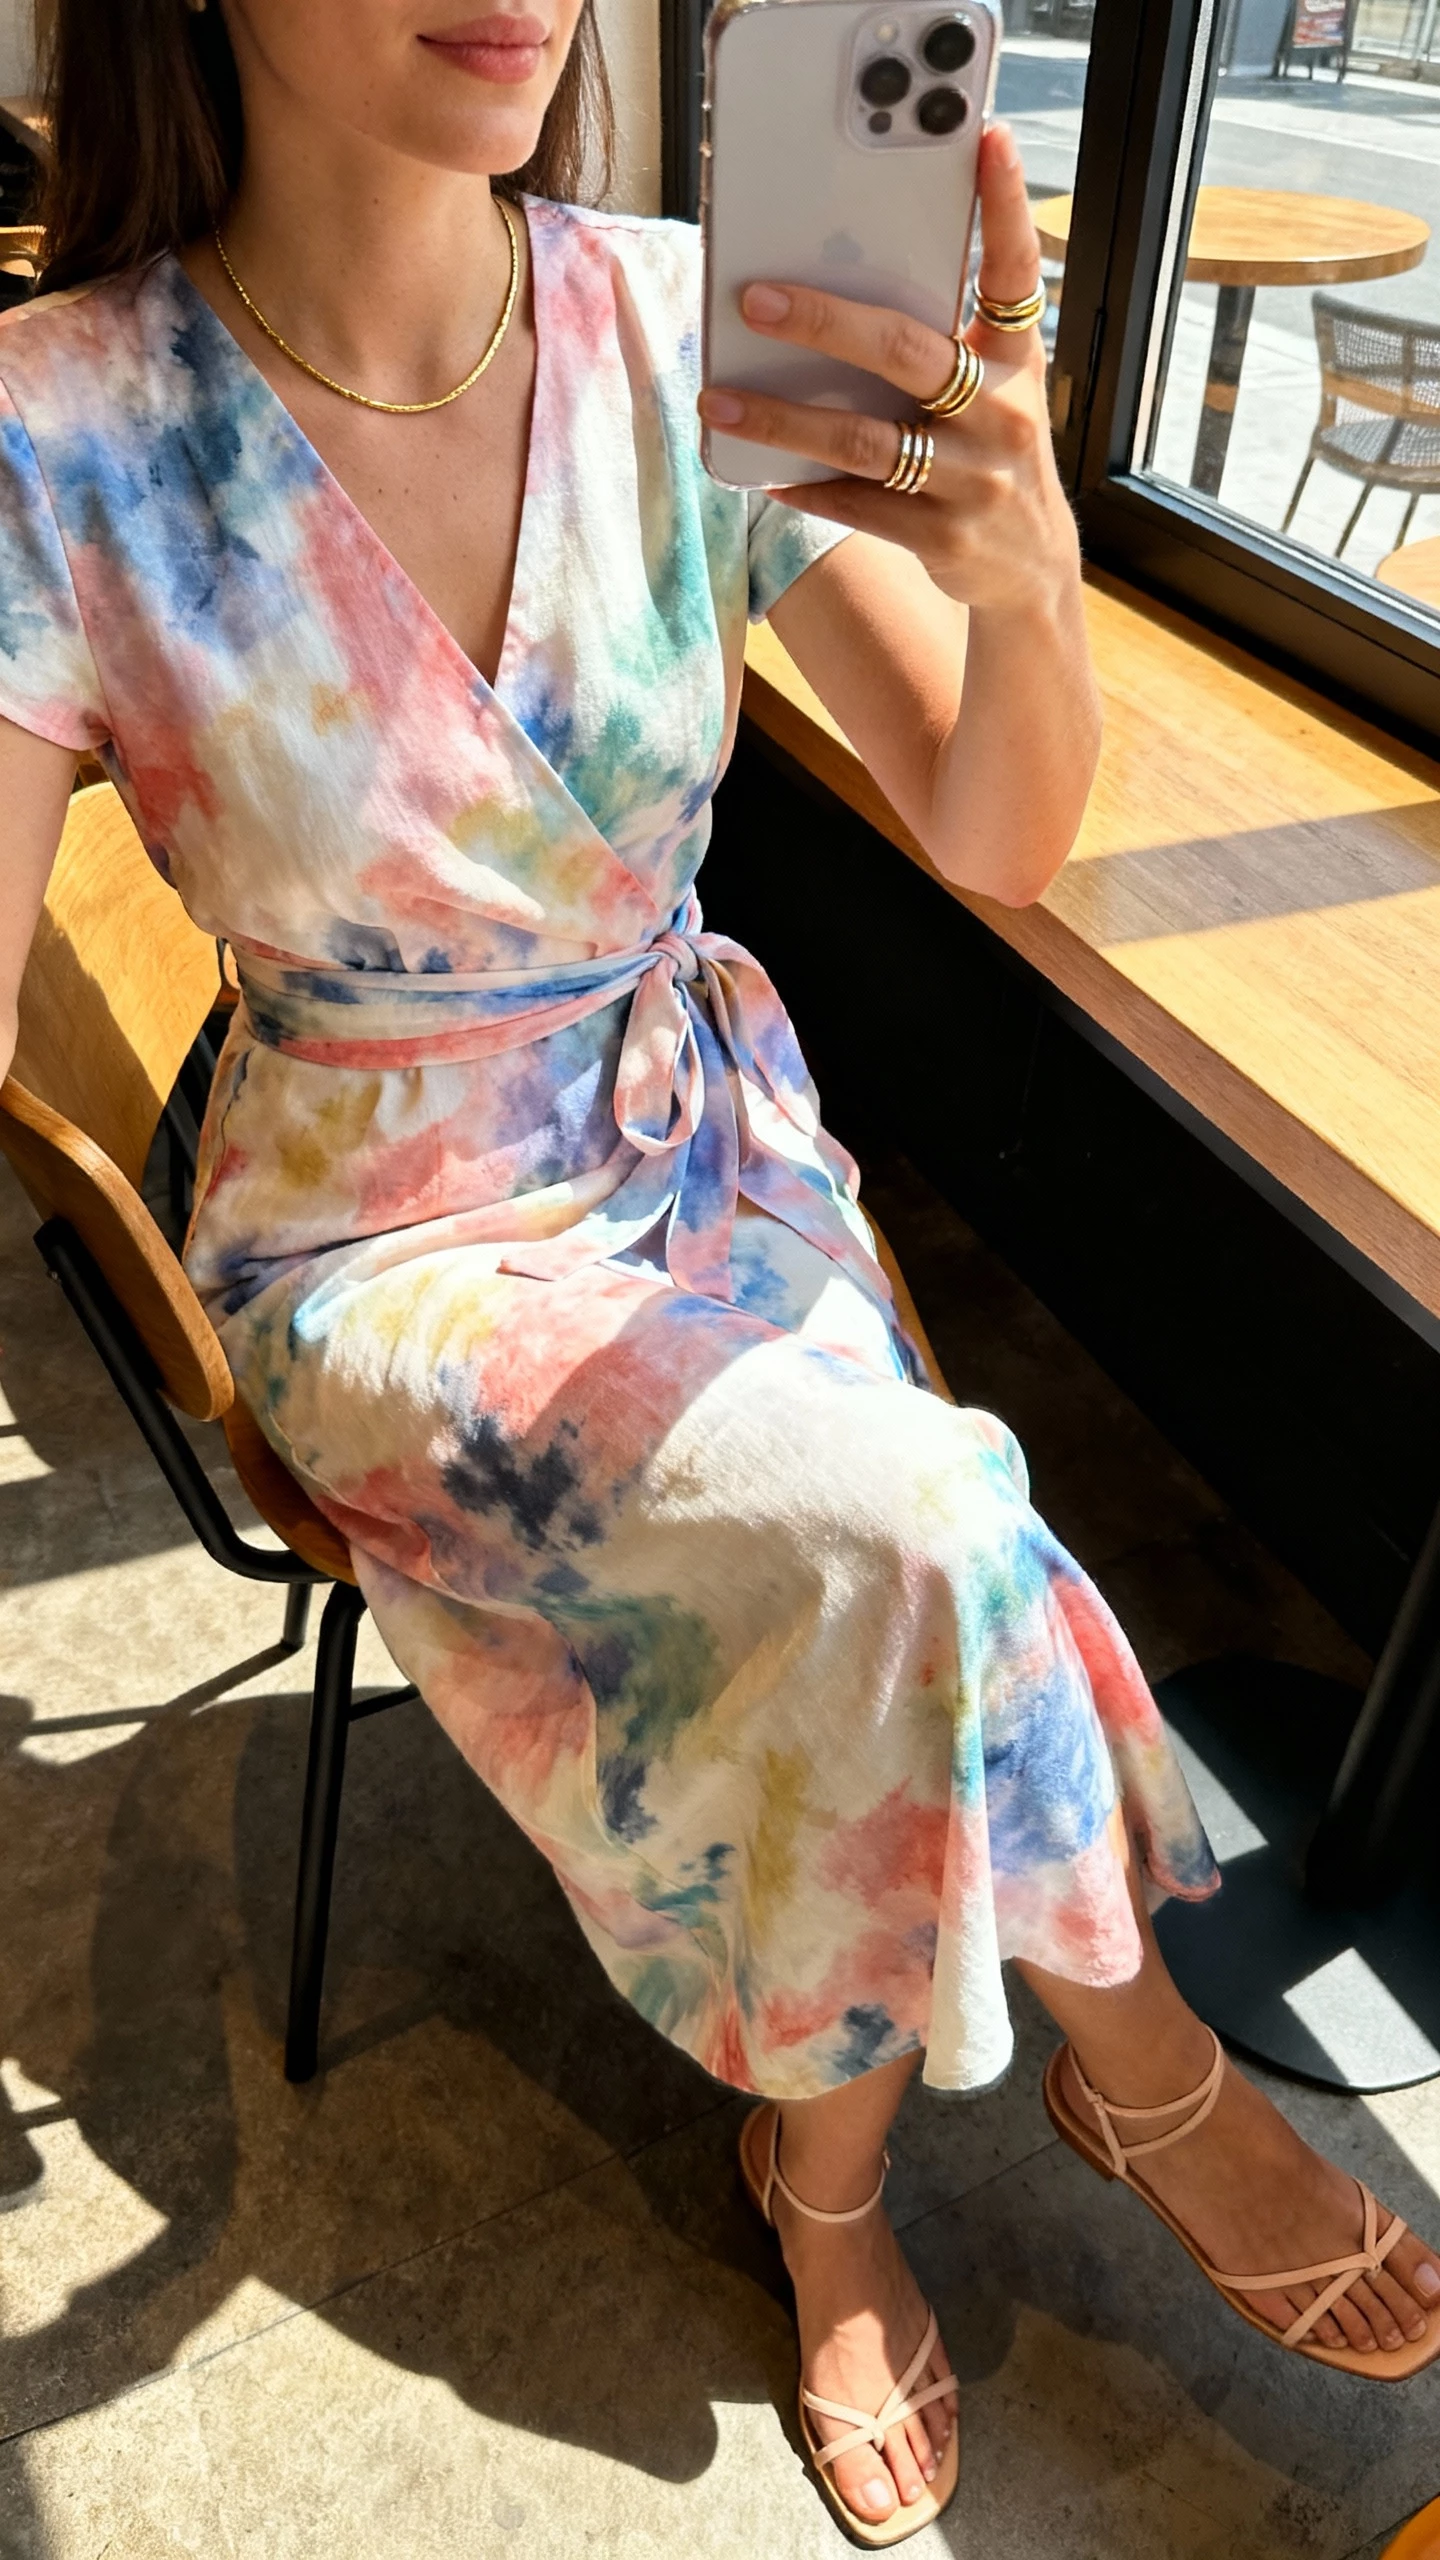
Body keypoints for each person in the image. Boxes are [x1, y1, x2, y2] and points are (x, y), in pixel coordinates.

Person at [0, 1, 1436, 2541]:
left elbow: (993, 827)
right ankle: (1144, 2068)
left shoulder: (692, 319)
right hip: (383, 1243)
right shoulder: (58, 426)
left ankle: (829, 2186)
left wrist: (1030, 566)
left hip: (701, 1138)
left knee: (875, 1567)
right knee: (924, 1519)